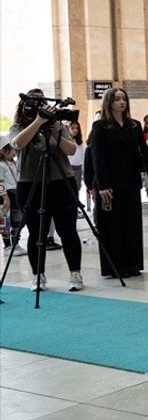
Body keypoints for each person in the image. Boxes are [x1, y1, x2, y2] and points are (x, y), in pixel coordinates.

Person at [9, 91, 84, 291]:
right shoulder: (18, 126)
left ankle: (75, 273)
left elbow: (71, 150)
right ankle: (38, 275)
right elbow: (17, 143)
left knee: (68, 231)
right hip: (31, 182)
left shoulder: (57, 125)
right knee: (37, 233)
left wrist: (53, 132)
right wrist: (38, 123)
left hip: (61, 182)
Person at [1, 142, 20, 253]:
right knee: (4, 221)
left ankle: (15, 244)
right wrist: (5, 197)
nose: (14, 152)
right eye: (12, 150)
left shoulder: (14, 163)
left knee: (17, 220)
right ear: (3, 151)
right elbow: (0, 182)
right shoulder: (1, 165)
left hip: (15, 193)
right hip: (5, 195)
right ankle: (7, 246)